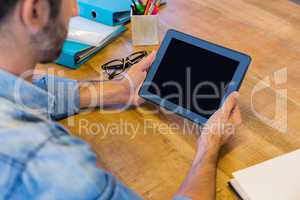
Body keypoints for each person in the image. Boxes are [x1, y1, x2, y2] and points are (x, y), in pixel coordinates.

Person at [0, 0, 241, 200]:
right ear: (34, 11)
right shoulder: (47, 161)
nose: (75, 10)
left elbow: (33, 93)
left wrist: (119, 89)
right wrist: (208, 147)